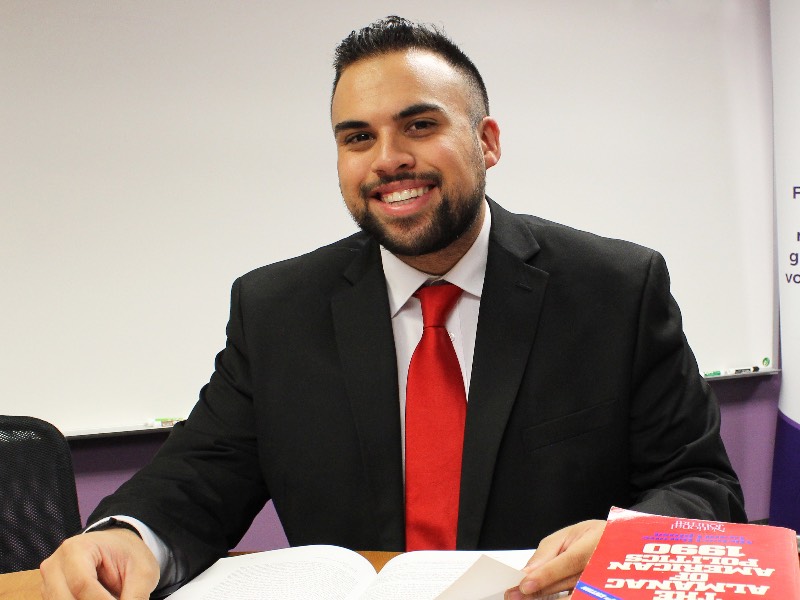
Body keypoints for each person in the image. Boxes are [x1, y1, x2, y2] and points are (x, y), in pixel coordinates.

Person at [40, 16, 745, 600]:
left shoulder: (616, 288)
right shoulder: (277, 309)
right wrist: (126, 535)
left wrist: (630, 538)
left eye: (418, 125)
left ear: (487, 141)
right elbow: (202, 473)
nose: (387, 159)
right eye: (358, 137)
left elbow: (700, 484)